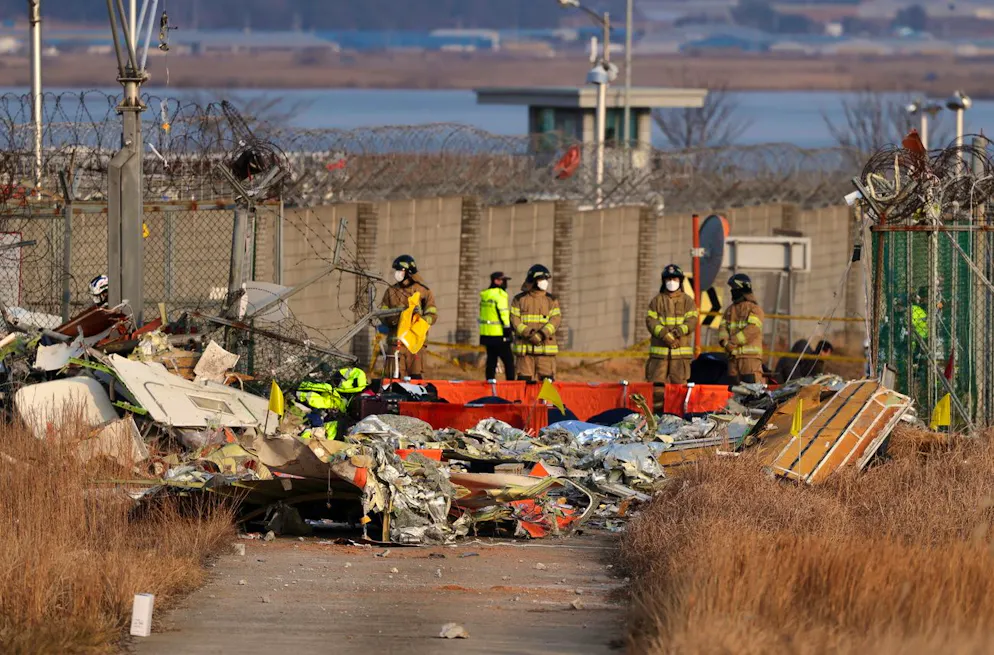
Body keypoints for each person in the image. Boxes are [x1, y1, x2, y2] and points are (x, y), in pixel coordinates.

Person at [379, 254, 437, 380]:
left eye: (400, 270)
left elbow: (432, 315)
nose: (397, 273)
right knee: (394, 379)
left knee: (415, 379)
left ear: (409, 272)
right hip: (395, 343)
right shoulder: (391, 291)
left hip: (415, 345)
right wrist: (394, 319)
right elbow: (382, 313)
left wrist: (419, 320)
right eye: (396, 271)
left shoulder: (423, 291)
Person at [645, 264, 698, 385]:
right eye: (668, 279)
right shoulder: (656, 301)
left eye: (674, 279)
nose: (671, 282)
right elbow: (651, 321)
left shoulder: (688, 301)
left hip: (680, 357)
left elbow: (692, 321)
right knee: (656, 388)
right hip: (659, 357)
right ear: (664, 281)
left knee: (679, 389)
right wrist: (665, 335)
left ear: (680, 281)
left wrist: (677, 332)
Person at [510, 264, 561, 382]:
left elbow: (555, 320)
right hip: (525, 353)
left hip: (545, 352)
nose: (545, 282)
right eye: (542, 279)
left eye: (546, 279)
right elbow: (514, 320)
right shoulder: (519, 299)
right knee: (524, 383)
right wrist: (530, 333)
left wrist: (541, 335)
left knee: (547, 384)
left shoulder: (551, 300)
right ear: (533, 281)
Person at [718, 273, 765, 384]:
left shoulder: (754, 309)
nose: (732, 291)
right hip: (733, 359)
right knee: (734, 391)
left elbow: (752, 330)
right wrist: (724, 342)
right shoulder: (729, 310)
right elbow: (722, 327)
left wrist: (732, 342)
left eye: (734, 288)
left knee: (752, 390)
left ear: (742, 289)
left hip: (749, 359)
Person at [479, 271, 515, 381]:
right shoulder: (500, 295)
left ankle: (490, 383)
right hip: (499, 334)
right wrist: (508, 328)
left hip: (486, 334)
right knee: (508, 361)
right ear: (496, 281)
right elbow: (503, 312)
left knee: (491, 361)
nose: (505, 283)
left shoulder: (485, 295)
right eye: (503, 281)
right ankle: (511, 384)